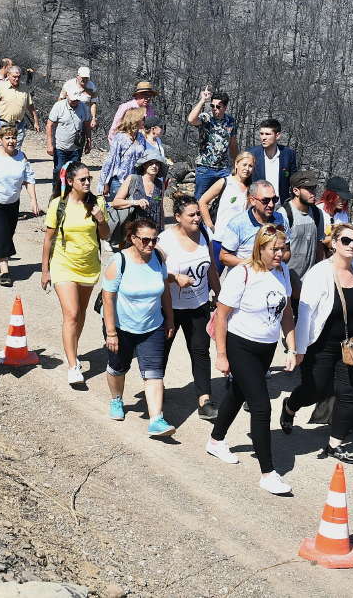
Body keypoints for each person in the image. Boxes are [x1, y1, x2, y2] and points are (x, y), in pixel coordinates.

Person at [205, 224, 296, 495]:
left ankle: (215, 440)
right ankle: (268, 473)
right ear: (261, 247)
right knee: (260, 405)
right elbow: (222, 315)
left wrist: (291, 348)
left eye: (283, 248)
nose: (280, 254)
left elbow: (287, 312)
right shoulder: (242, 273)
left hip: (265, 348)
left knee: (237, 392)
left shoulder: (282, 273)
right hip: (240, 345)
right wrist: (221, 355)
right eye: (274, 249)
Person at [281, 223, 353, 464]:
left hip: (351, 344)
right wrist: (298, 349)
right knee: (316, 389)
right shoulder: (319, 273)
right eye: (346, 241)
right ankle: (290, 406)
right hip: (320, 344)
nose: (352, 245)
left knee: (348, 393)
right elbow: (306, 315)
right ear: (334, 243)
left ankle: (335, 444)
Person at [101, 217, 177, 437]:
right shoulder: (119, 261)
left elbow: (165, 292)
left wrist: (170, 320)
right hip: (122, 327)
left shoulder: (159, 259)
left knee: (154, 373)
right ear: (133, 238)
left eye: (154, 240)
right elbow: (108, 298)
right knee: (118, 367)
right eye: (145, 240)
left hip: (152, 326)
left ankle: (156, 419)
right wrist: (111, 332)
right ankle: (116, 400)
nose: (150, 245)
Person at [41, 162, 109, 385]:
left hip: (89, 266)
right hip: (63, 264)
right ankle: (72, 366)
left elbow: (106, 235)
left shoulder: (97, 203)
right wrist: (45, 270)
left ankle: (74, 350)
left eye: (89, 178)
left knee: (80, 313)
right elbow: (48, 239)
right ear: (70, 182)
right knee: (70, 313)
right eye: (83, 179)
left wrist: (100, 219)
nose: (88, 182)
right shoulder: (58, 204)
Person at [158, 195, 221, 421]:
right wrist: (174, 278)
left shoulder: (205, 234)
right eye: (191, 215)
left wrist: (219, 295)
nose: (197, 218)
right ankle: (156, 390)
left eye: (198, 214)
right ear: (177, 217)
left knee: (200, 351)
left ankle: (204, 399)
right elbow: (156, 273)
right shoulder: (165, 240)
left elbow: (212, 268)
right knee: (162, 350)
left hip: (199, 305)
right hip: (170, 307)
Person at [0, 124, 40, 287]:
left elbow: (29, 179)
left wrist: (33, 200)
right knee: (1, 234)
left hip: (12, 203)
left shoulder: (21, 156)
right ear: (1, 140)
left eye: (13, 137)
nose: (11, 141)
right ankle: (5, 272)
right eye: (7, 138)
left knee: (7, 234)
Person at [198, 152, 254, 269]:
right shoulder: (225, 182)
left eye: (250, 166)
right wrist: (210, 225)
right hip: (220, 238)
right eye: (244, 165)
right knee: (213, 277)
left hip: (239, 242)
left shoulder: (251, 188)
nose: (247, 169)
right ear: (236, 164)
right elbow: (202, 201)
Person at [218, 181, 289, 269]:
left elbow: (287, 252)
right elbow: (224, 257)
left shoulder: (281, 219)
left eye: (274, 200)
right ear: (252, 200)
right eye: (265, 200)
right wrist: (255, 265)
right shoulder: (237, 223)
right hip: (246, 279)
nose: (271, 204)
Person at [187, 87, 239, 200]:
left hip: (223, 169)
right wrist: (202, 100)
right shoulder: (206, 117)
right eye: (212, 106)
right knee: (199, 199)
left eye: (218, 106)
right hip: (205, 167)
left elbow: (233, 144)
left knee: (226, 199)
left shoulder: (231, 121)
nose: (214, 109)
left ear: (225, 107)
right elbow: (191, 120)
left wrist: (237, 164)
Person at [111, 150, 167, 235]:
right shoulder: (133, 179)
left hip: (154, 232)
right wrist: (135, 202)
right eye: (151, 163)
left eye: (157, 163)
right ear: (144, 165)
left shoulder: (160, 184)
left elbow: (160, 208)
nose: (154, 166)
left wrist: (162, 230)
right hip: (134, 232)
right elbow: (116, 202)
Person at [45, 90, 91, 192]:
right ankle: (56, 194)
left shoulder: (84, 107)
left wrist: (89, 141)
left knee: (75, 173)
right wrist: (49, 143)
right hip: (60, 147)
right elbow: (49, 125)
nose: (75, 102)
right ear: (67, 96)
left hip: (76, 147)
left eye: (77, 100)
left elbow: (87, 125)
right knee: (59, 171)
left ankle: (72, 196)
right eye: (73, 100)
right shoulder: (59, 106)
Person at [282, 170, 325, 280]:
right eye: (309, 189)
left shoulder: (317, 213)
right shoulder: (284, 214)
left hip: (310, 280)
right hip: (287, 279)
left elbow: (319, 244)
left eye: (314, 188)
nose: (313, 193)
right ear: (296, 191)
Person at [245, 119, 297, 204]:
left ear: (277, 135)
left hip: (282, 206)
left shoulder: (289, 154)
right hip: (259, 205)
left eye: (268, 134)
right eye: (261, 134)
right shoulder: (251, 154)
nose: (263, 138)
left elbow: (294, 180)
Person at [0, 66, 40, 140]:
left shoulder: (24, 89)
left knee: (16, 150)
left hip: (19, 125)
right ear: (8, 75)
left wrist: (36, 122)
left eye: (19, 77)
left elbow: (31, 107)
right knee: (2, 149)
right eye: (14, 77)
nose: (17, 79)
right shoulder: (1, 87)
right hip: (3, 124)